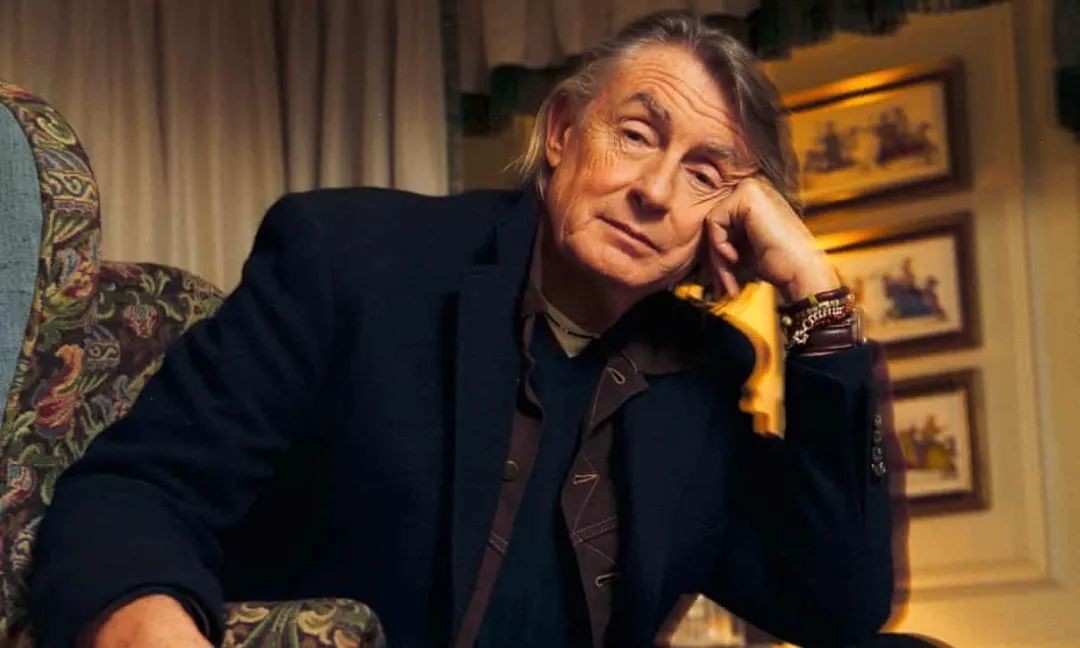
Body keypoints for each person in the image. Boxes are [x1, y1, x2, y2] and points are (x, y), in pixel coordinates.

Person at [29, 11, 894, 648]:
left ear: (727, 225)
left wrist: (817, 301)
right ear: (561, 133)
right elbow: (133, 495)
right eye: (636, 136)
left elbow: (837, 607)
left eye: (706, 175)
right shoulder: (353, 261)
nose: (656, 192)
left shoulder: (696, 378)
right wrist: (152, 630)